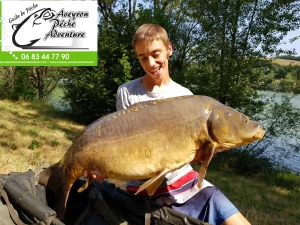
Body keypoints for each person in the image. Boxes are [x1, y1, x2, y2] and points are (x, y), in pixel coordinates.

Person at [84, 23, 251, 225]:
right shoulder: (127, 92)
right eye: (143, 58)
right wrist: (104, 166)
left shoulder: (186, 96)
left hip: (186, 183)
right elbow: (125, 145)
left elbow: (192, 152)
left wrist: (203, 154)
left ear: (169, 49)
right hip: (142, 190)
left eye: (156, 54)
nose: (151, 63)